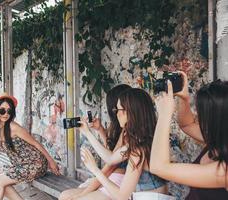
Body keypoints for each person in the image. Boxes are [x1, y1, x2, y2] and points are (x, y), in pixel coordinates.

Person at [78, 88, 170, 200]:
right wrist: (88, 133)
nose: (116, 114)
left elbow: (121, 196)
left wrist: (95, 170)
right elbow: (111, 158)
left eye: (118, 109)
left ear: (129, 112)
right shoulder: (144, 139)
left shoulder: (138, 150)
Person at [150, 72, 228, 200]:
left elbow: (159, 167)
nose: (197, 115)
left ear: (216, 119)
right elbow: (187, 125)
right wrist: (184, 98)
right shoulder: (219, 139)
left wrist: (164, 115)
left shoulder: (224, 172)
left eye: (201, 112)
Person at [0, 93, 60, 200]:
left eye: (9, 111)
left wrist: (51, 161)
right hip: (20, 165)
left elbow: (36, 143)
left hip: (35, 163)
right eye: (2, 110)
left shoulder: (14, 127)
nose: (6, 114)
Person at [59, 84, 132, 200]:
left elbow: (110, 164)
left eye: (117, 109)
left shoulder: (130, 133)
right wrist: (100, 130)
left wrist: (82, 194)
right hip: (110, 178)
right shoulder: (124, 130)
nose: (115, 112)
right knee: (64, 196)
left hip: (117, 182)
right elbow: (111, 155)